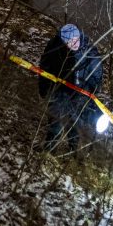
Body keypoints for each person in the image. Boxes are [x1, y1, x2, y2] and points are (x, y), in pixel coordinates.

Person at [38, 23, 103, 153]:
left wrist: (92, 92)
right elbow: (45, 68)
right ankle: (49, 150)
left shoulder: (90, 52)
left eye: (75, 40)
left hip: (80, 94)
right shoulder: (55, 48)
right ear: (63, 41)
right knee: (55, 120)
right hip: (59, 90)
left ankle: (75, 152)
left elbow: (97, 75)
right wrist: (44, 89)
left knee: (75, 123)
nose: (74, 43)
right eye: (69, 41)